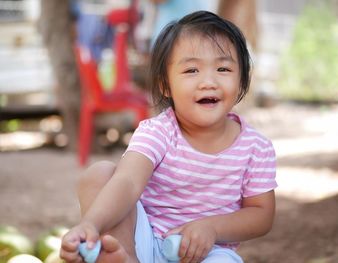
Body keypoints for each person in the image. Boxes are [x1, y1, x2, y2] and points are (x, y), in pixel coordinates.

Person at [60, 10, 277, 263]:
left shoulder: (256, 147)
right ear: (165, 84)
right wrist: (91, 224)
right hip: (143, 240)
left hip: (208, 253)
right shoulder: (158, 132)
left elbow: (261, 214)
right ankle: (124, 256)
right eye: (191, 70)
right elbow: (128, 181)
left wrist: (212, 228)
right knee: (98, 174)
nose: (208, 81)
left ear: (242, 81)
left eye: (223, 68)